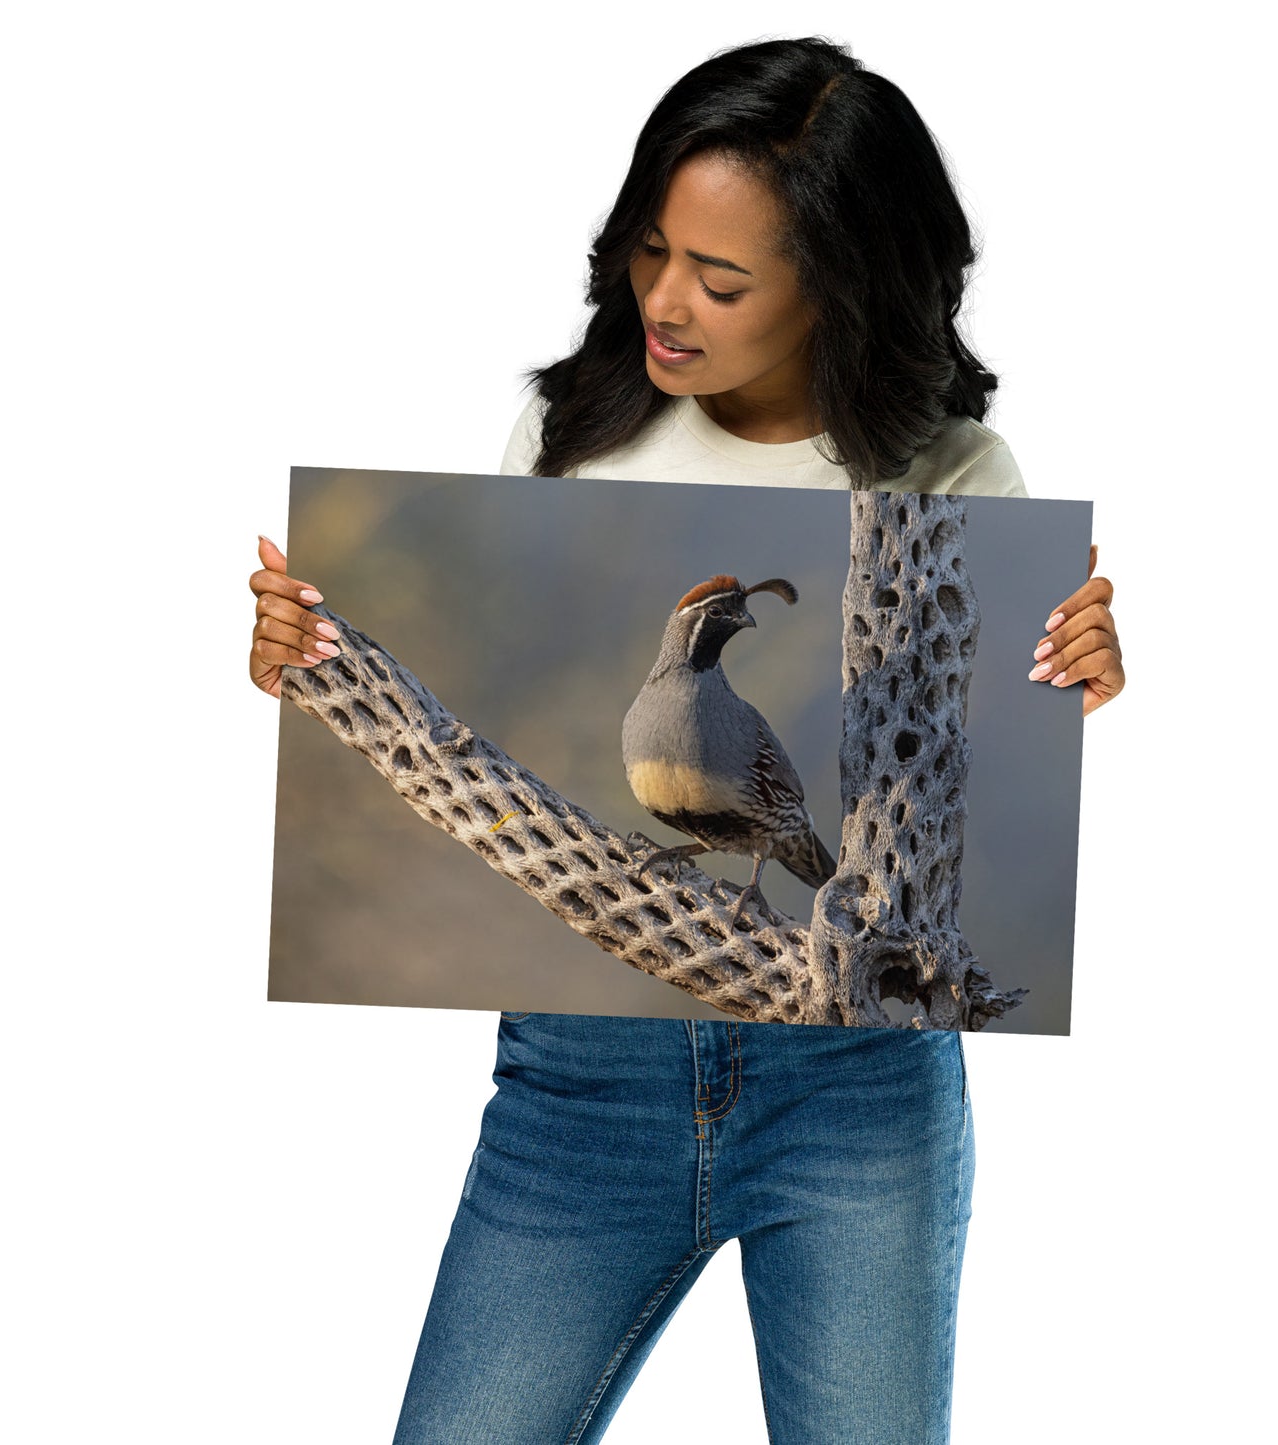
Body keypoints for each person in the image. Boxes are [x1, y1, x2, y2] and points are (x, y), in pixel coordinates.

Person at [250, 38, 1123, 1443]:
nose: (665, 300)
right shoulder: (569, 428)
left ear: (836, 284)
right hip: (580, 1079)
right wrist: (313, 661)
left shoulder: (953, 471)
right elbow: (466, 697)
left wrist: (1069, 665)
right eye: (652, 251)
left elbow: (985, 749)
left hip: (854, 1080)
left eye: (720, 281)